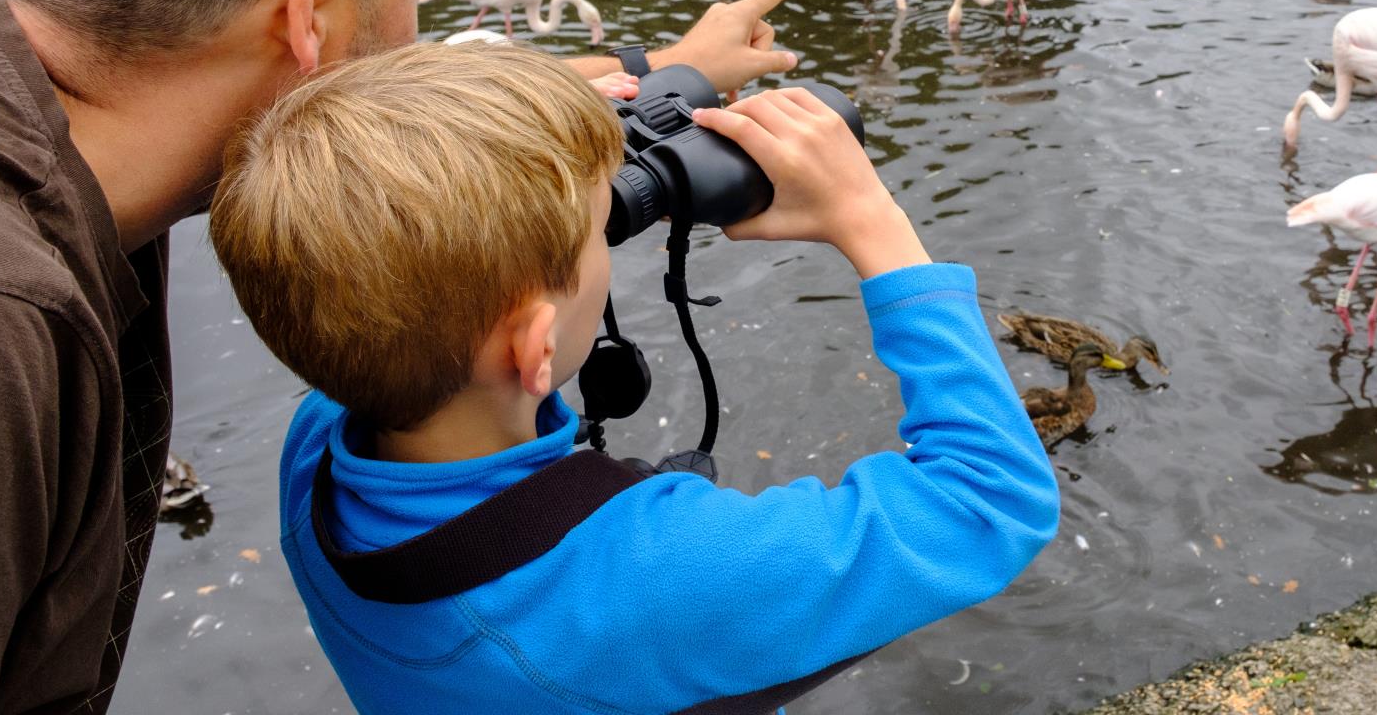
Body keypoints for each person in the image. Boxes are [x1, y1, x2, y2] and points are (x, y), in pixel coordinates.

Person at [0, 0, 809, 713]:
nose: (420, 30)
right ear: (312, 9)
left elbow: (372, 109)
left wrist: (667, 75)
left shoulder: (24, 106)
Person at [205, 41, 1059, 711]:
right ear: (534, 351)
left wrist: (603, 119)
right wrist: (876, 227)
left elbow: (380, 254)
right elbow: (992, 499)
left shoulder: (320, 441)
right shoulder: (663, 576)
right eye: (597, 234)